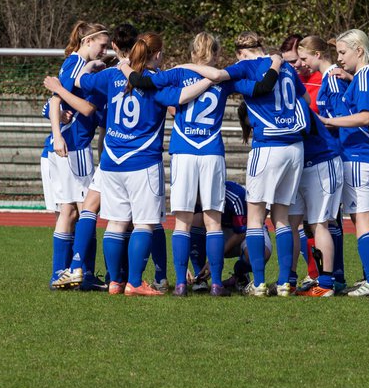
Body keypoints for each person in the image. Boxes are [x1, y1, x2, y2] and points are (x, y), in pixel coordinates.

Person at [57, 32, 212, 295]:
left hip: (112, 161)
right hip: (142, 161)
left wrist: (91, 65)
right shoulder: (156, 82)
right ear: (158, 54)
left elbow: (80, 80)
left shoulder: (111, 75)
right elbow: (183, 97)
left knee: (115, 223)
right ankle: (135, 282)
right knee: (144, 224)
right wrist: (210, 78)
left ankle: (115, 281)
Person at [122, 32, 259, 296]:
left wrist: (126, 66)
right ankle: (217, 282)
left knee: (182, 222)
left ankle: (181, 283)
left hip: (184, 151)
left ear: (192, 52)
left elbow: (144, 83)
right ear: (217, 54)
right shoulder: (224, 77)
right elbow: (255, 87)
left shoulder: (177, 73)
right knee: (213, 222)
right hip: (211, 152)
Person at [182, 32, 305, 296]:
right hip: (295, 146)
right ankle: (285, 282)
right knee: (282, 217)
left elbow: (215, 77)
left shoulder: (245, 66)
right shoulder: (287, 69)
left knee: (256, 217)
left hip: (269, 143)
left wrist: (185, 66)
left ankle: (259, 283)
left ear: (240, 52)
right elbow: (302, 101)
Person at [317, 28, 369, 297]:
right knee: (368, 218)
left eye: (343, 53)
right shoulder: (366, 76)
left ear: (359, 51)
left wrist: (330, 121)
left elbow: (365, 116)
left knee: (363, 220)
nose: (339, 58)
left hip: (360, 154)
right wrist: (349, 77)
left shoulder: (366, 76)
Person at [40, 21, 109, 290]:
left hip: (72, 146)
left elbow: (54, 101)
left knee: (74, 211)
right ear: (87, 41)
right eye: (102, 45)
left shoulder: (81, 65)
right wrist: (58, 135)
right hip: (72, 148)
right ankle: (76, 273)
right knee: (80, 210)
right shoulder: (75, 64)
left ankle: (71, 273)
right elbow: (56, 99)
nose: (104, 50)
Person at [292, 35, 347, 296]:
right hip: (320, 158)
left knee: (323, 223)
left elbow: (339, 120)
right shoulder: (326, 79)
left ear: (317, 55)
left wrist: (309, 117)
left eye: (304, 58)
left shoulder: (333, 81)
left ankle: (327, 283)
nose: (301, 64)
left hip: (327, 158)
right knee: (317, 223)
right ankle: (325, 280)